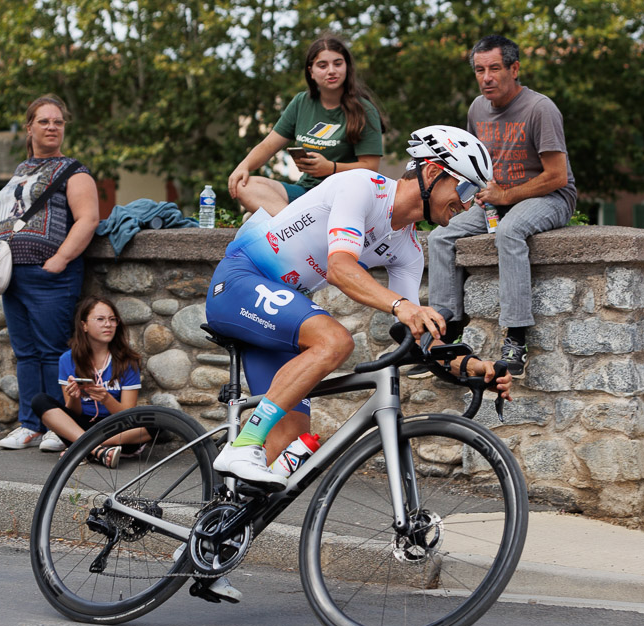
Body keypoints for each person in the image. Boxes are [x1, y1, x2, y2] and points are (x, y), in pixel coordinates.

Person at [206, 124, 512, 491]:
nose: (466, 203)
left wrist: (473, 366)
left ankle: (218, 531)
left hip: (276, 311)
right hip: (241, 280)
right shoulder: (363, 186)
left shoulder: (409, 250)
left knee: (284, 452)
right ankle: (241, 445)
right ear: (433, 172)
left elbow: (419, 339)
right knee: (335, 341)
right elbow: (340, 267)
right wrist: (401, 306)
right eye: (464, 188)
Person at [427, 34, 577, 378]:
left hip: (549, 197)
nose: (486, 78)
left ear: (514, 68)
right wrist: (475, 194)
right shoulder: (477, 109)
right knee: (440, 237)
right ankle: (447, 333)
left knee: (509, 233)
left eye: (494, 68)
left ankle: (516, 338)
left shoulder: (541, 109)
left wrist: (506, 197)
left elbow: (556, 176)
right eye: (480, 70)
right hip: (497, 198)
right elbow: (475, 165)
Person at [0, 94, 100, 451]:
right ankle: (30, 424)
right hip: (14, 274)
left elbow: (88, 219)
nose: (52, 127)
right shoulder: (21, 171)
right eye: (44, 121)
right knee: (25, 353)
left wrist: (61, 258)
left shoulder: (73, 171)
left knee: (55, 351)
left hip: (51, 275)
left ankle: (59, 426)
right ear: (30, 127)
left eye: (58, 122)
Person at [227, 34, 385, 216]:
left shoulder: (365, 110)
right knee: (246, 186)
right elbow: (268, 145)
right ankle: (296, 224)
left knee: (263, 212)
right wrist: (243, 166)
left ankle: (289, 225)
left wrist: (330, 168)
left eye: (338, 63)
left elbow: (371, 167)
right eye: (322, 65)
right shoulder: (301, 102)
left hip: (343, 198)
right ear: (311, 71)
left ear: (347, 67)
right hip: (305, 193)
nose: (331, 70)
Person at [30, 296, 144, 468]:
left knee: (157, 423)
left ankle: (83, 448)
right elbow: (72, 412)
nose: (108, 324)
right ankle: (98, 450)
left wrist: (106, 398)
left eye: (113, 319)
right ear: (84, 325)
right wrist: (74, 396)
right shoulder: (68, 359)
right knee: (39, 401)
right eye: (100, 319)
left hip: (115, 429)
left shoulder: (128, 361)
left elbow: (128, 416)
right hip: (80, 425)